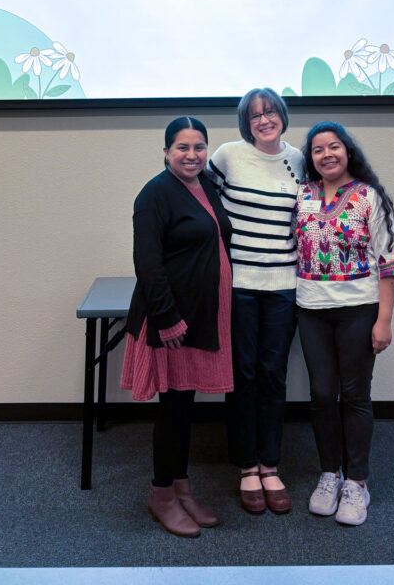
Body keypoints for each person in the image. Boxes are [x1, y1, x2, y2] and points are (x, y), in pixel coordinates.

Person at [120, 116, 233, 538]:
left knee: (185, 408)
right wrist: (167, 319)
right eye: (182, 147)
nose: (192, 155)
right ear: (166, 151)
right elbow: (147, 265)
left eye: (199, 147)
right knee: (172, 412)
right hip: (173, 322)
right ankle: (161, 495)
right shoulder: (154, 195)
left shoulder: (205, 187)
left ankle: (182, 488)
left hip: (201, 316)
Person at [295, 121, 394, 526]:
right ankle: (331, 474)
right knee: (323, 394)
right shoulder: (302, 196)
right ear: (311, 158)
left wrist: (385, 320)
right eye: (318, 149)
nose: (327, 155)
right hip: (311, 310)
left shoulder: (368, 197)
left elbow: (390, 262)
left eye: (334, 147)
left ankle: (357, 483)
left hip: (359, 310)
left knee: (355, 394)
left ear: (347, 151)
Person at [207, 88, 304, 515]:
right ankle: (246, 466)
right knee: (242, 374)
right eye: (255, 116)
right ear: (245, 123)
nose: (264, 120)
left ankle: (270, 464)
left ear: (282, 115)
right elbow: (199, 202)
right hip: (239, 284)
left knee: (273, 374)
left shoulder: (300, 159)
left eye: (270, 112)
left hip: (285, 284)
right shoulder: (228, 156)